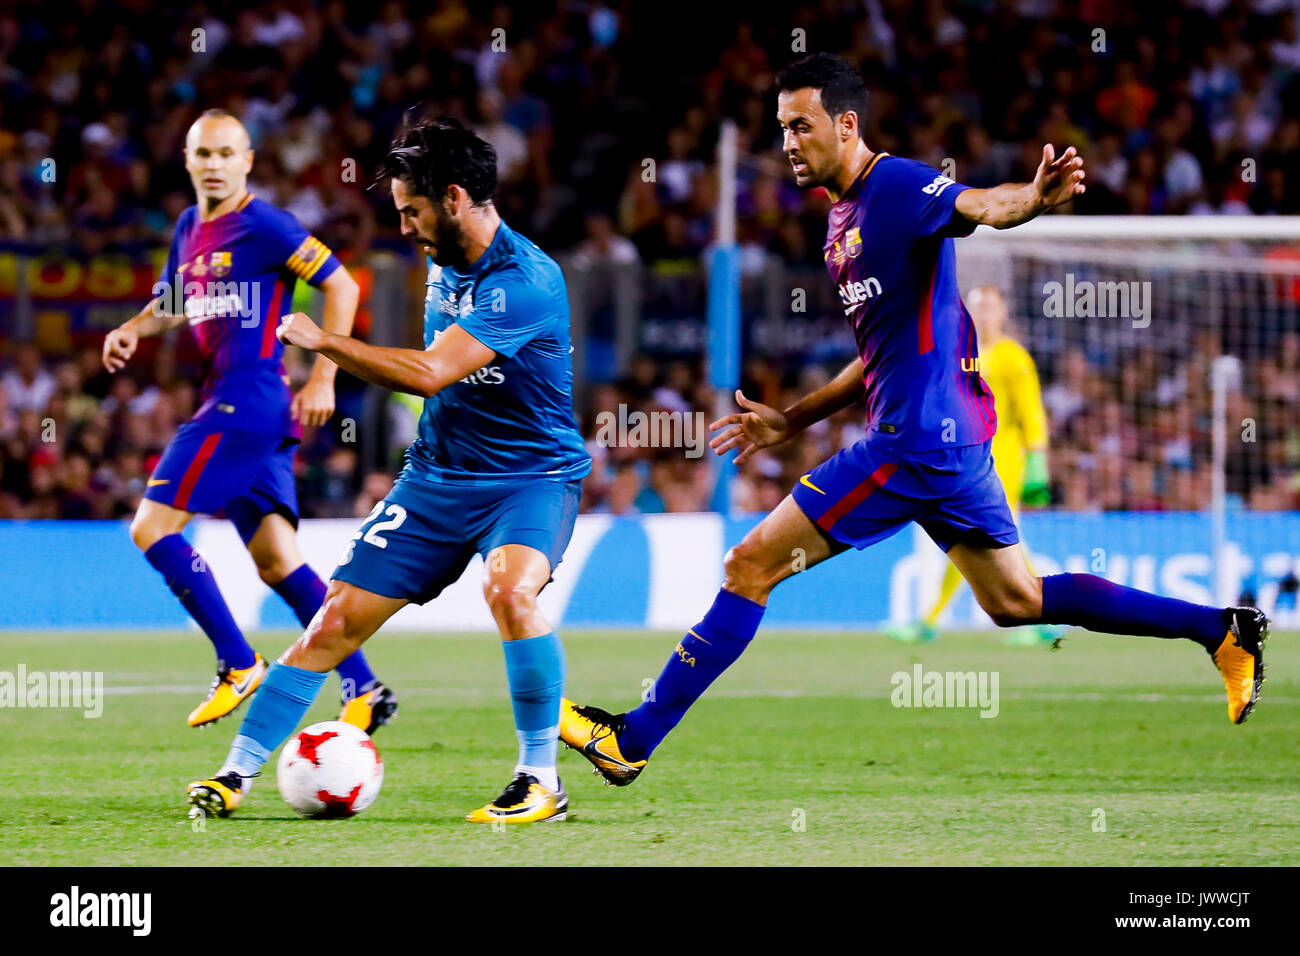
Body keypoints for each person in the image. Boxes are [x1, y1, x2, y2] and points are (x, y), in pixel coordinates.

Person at [559, 53, 1267, 788]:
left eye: (801, 126)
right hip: (950, 445)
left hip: (913, 443)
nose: (789, 143)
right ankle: (1221, 629)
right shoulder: (841, 226)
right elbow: (877, 355)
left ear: (846, 123)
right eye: (781, 129)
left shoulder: (895, 185)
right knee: (1017, 600)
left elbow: (982, 206)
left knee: (749, 566)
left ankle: (632, 739)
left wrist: (1030, 197)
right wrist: (791, 420)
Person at [188, 118, 591, 824]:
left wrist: (324, 343)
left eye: (412, 209)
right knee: (333, 622)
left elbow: (433, 372)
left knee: (510, 592)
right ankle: (234, 775)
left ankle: (540, 780)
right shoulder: (445, 256)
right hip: (437, 476)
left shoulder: (526, 282)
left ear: (456, 197)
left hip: (530, 477)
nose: (404, 225)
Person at [103, 109, 396, 733]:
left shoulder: (266, 225)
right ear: (187, 160)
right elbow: (177, 302)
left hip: (248, 401)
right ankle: (364, 687)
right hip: (242, 407)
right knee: (278, 562)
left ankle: (238, 662)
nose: (213, 165)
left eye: (225, 154)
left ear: (248, 161)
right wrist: (132, 329)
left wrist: (324, 373)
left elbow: (343, 287)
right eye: (202, 154)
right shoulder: (188, 227)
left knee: (150, 527)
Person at [889, 284, 1063, 645]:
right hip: (965, 458)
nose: (982, 314)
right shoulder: (956, 353)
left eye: (989, 308)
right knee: (967, 538)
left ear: (1002, 313)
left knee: (1000, 540)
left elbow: (1031, 412)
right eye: (976, 308)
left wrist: (1037, 461)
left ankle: (1046, 618)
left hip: (1004, 460)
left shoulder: (1013, 357)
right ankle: (931, 622)